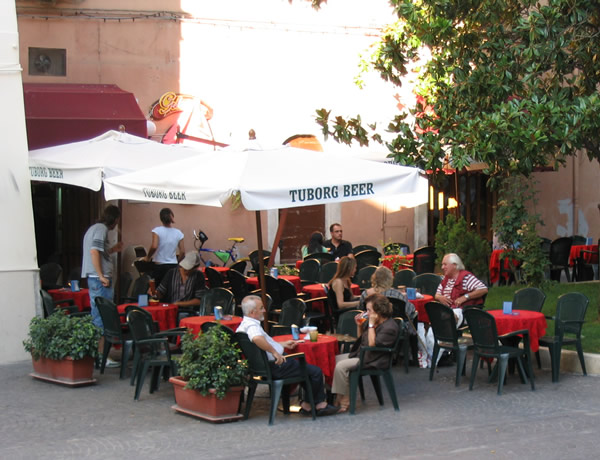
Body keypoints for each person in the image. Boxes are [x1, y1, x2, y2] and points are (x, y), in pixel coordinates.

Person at [237, 295, 339, 416]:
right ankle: (319, 404)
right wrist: (275, 352)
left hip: (262, 367)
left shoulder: (243, 325)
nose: (264, 310)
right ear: (253, 312)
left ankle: (308, 404)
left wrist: (282, 344)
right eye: (261, 308)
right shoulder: (252, 326)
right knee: (315, 371)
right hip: (276, 367)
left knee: (305, 369)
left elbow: (261, 344)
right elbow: (257, 338)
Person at [332, 293, 399, 412]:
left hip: (375, 359)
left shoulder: (389, 327)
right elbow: (363, 340)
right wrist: (359, 326)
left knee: (341, 366)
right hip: (363, 354)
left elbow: (372, 345)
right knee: (332, 361)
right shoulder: (375, 322)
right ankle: (337, 396)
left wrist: (371, 325)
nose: (367, 313)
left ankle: (344, 399)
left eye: (369, 310)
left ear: (379, 311)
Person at [81, 205, 123, 367]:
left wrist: (112, 249)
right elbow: (94, 252)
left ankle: (98, 355)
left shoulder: (93, 228)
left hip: (95, 278)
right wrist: (101, 276)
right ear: (115, 218)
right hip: (99, 280)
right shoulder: (101, 229)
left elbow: (99, 251)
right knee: (102, 316)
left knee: (98, 314)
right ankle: (101, 356)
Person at [144, 208, 185, 286]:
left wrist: (148, 257)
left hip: (159, 265)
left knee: (157, 290)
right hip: (173, 266)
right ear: (172, 217)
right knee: (170, 289)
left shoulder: (157, 231)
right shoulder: (178, 233)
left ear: (161, 218)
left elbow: (154, 246)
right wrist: (177, 261)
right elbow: (182, 251)